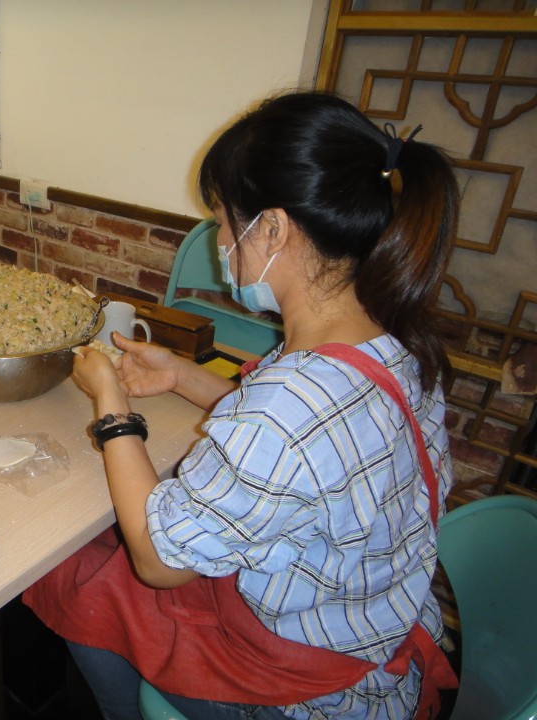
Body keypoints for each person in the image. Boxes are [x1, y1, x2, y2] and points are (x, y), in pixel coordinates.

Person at [23, 90, 460, 720]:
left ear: (275, 228)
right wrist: (180, 375)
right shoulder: (391, 339)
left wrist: (111, 405)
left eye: (226, 222)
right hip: (370, 630)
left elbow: (156, 559)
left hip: (314, 695)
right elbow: (311, 446)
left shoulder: (286, 412)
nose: (221, 241)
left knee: (73, 577)